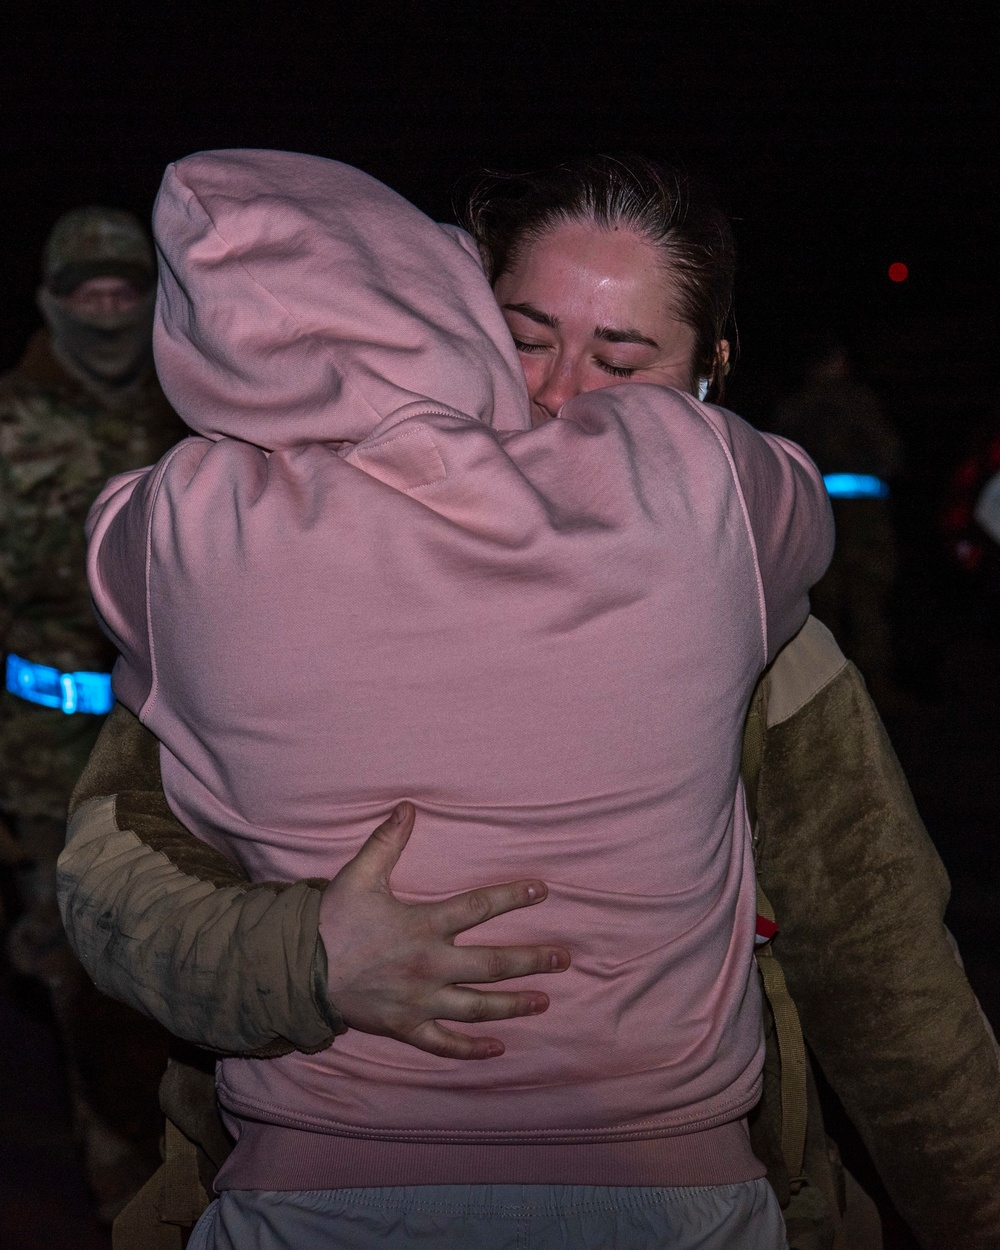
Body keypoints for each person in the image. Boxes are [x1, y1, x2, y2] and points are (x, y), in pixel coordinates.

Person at [59, 157, 1000, 1250]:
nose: (560, 395)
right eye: (527, 337)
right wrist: (302, 953)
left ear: (709, 373)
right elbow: (107, 887)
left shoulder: (765, 632)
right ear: (456, 319)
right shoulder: (244, 615)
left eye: (622, 358)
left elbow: (883, 973)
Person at [0, 206, 187, 1219]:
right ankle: (120, 1183)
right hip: (46, 757)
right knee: (79, 973)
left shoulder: (202, 412)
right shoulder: (9, 426)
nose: (109, 312)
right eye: (89, 295)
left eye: (127, 292)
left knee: (180, 962)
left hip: (184, 750)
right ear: (53, 302)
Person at [771, 341, 900, 707]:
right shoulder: (857, 402)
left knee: (828, 609)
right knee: (856, 606)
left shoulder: (797, 406)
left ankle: (839, 695)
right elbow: (891, 454)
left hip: (824, 518)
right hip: (852, 520)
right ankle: (866, 694)